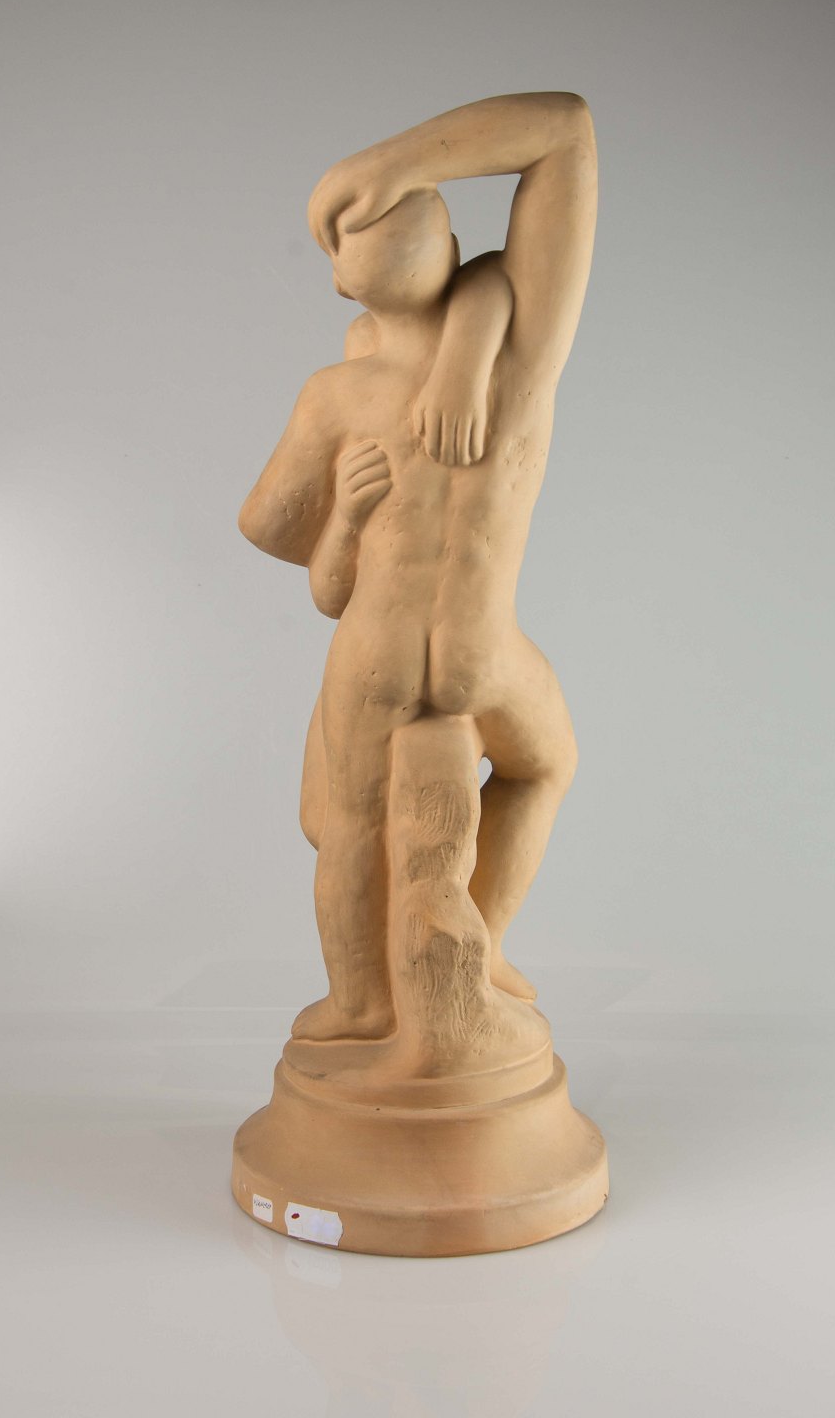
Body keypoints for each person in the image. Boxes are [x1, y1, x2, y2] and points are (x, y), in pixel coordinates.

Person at [239, 93, 597, 1042]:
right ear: (453, 248)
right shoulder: (513, 364)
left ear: (347, 288)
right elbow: (565, 132)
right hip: (479, 651)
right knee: (546, 764)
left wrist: (347, 514)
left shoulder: (337, 393)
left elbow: (266, 525)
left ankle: (357, 1005)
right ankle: (488, 934)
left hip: (376, 651)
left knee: (351, 827)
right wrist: (398, 163)